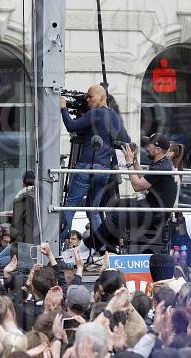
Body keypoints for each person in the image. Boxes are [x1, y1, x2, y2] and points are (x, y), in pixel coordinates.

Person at [59, 85, 130, 243]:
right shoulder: (114, 116)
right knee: (94, 210)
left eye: (91, 97)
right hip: (104, 171)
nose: (88, 100)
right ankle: (100, 246)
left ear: (102, 97)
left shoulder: (95, 113)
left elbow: (71, 126)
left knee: (69, 207)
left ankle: (56, 246)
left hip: (87, 167)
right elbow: (126, 139)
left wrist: (63, 108)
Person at [89, 133, 177, 253]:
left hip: (155, 213)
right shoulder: (161, 162)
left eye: (149, 146)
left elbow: (137, 186)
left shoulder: (162, 167)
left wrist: (129, 162)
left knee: (118, 215)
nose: (146, 148)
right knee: (116, 204)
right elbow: (145, 178)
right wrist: (135, 161)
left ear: (158, 149)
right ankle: (111, 247)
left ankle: (89, 247)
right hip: (151, 206)